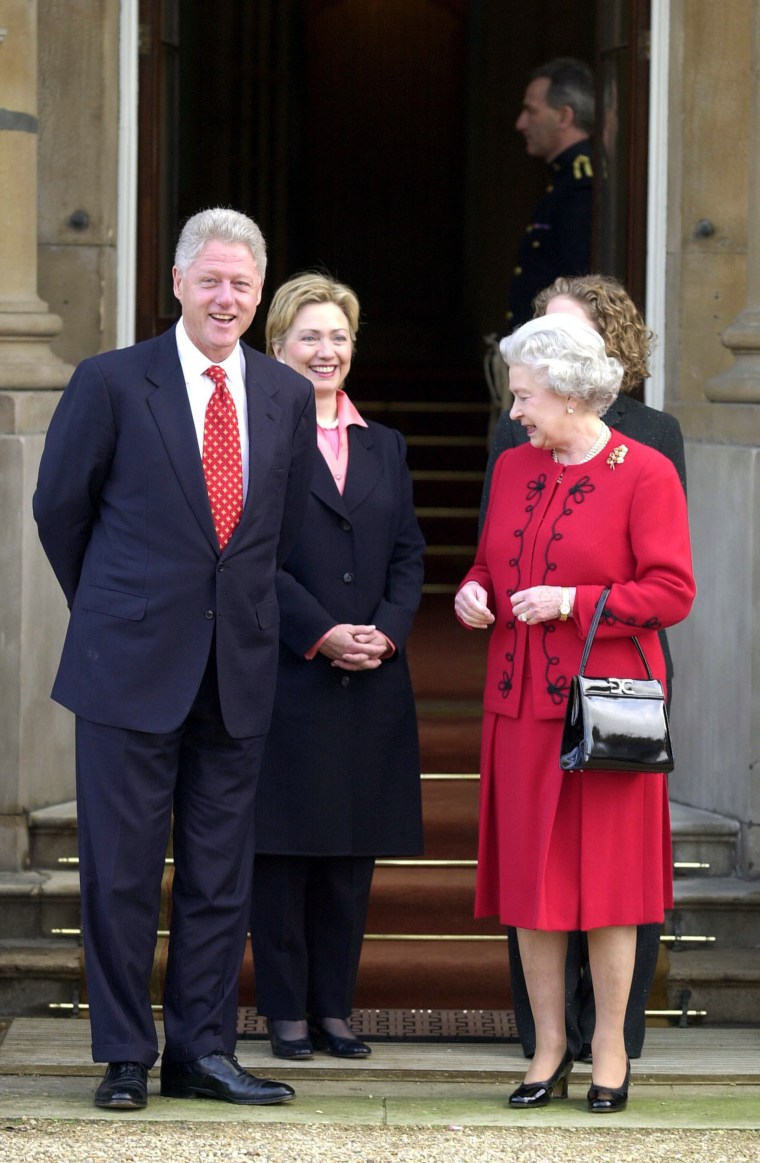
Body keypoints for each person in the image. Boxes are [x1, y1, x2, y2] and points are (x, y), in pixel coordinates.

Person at [33, 208, 316, 1111]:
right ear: (178, 283)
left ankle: (203, 1049)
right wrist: (119, 608)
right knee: (119, 869)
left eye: (241, 283)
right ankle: (123, 1053)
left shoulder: (283, 394)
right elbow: (58, 510)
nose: (224, 297)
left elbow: (281, 530)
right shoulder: (112, 382)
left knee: (218, 871)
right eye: (210, 280)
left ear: (259, 292)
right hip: (128, 663)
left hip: (236, 668)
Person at [456, 313, 695, 1113]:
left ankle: (609, 1049)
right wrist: (473, 591)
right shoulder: (517, 467)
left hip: (605, 715)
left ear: (565, 392)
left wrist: (573, 600)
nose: (516, 411)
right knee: (534, 887)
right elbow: (491, 559)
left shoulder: (647, 471)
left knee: (611, 888)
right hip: (520, 704)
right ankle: (548, 1046)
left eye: (524, 396)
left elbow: (670, 591)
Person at [249, 273, 425, 1061]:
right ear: (277, 346)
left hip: (372, 682)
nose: (328, 350)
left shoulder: (384, 443)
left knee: (352, 858)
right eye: (311, 336)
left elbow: (409, 554)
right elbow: (250, 560)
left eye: (339, 336)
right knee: (282, 856)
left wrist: (385, 633)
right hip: (288, 675)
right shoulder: (255, 436)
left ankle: (334, 1011)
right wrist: (322, 633)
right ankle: (285, 1013)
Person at [507, 58, 595, 328]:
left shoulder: (581, 183)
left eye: (531, 111)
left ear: (564, 116)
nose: (520, 124)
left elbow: (577, 282)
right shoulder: (563, 180)